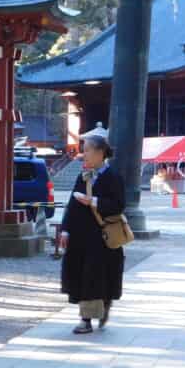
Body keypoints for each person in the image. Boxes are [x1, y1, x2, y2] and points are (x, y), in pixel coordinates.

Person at [59, 124, 125, 335]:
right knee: (82, 275)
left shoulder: (113, 177)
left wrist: (94, 201)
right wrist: (65, 230)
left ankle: (96, 311)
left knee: (96, 276)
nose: (83, 154)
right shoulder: (83, 176)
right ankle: (86, 318)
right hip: (80, 236)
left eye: (87, 150)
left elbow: (118, 205)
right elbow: (72, 204)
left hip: (102, 237)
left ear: (99, 152)